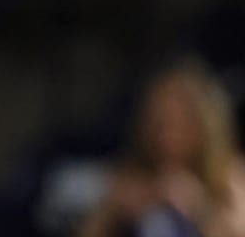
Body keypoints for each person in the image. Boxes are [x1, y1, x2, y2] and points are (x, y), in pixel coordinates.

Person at [78, 59, 245, 236]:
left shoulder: (230, 176)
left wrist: (200, 210)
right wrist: (111, 210)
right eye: (160, 122)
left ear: (205, 124)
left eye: (180, 121)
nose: (167, 135)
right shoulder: (129, 175)